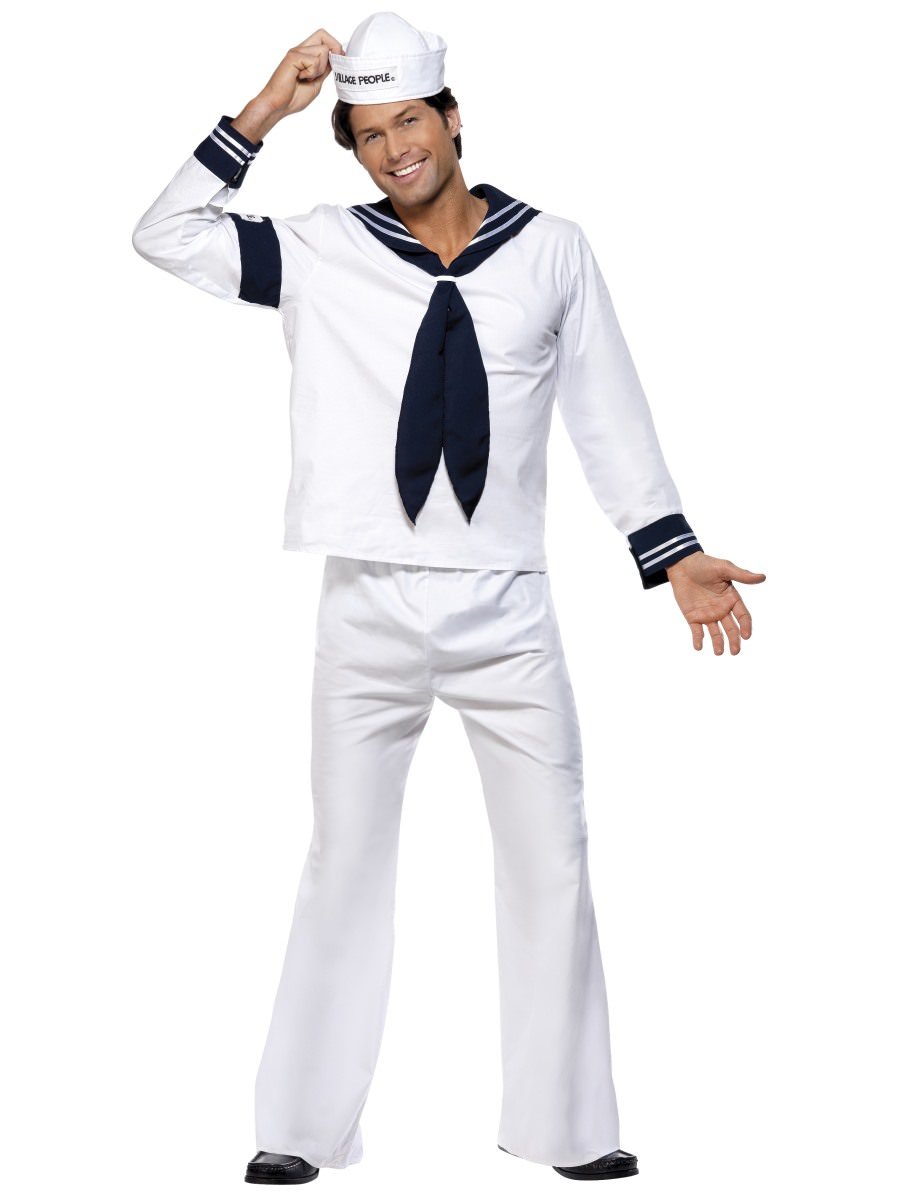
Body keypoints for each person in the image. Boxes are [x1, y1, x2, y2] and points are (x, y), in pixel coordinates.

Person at [132, 11, 766, 1186]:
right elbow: (164, 234)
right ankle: (300, 1128)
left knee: (552, 861)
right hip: (365, 605)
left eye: (409, 123)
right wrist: (264, 111)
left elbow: (608, 408)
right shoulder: (323, 250)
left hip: (507, 609)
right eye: (369, 136)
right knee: (344, 861)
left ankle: (570, 1127)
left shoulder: (553, 251)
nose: (394, 152)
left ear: (453, 115)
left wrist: (670, 551)